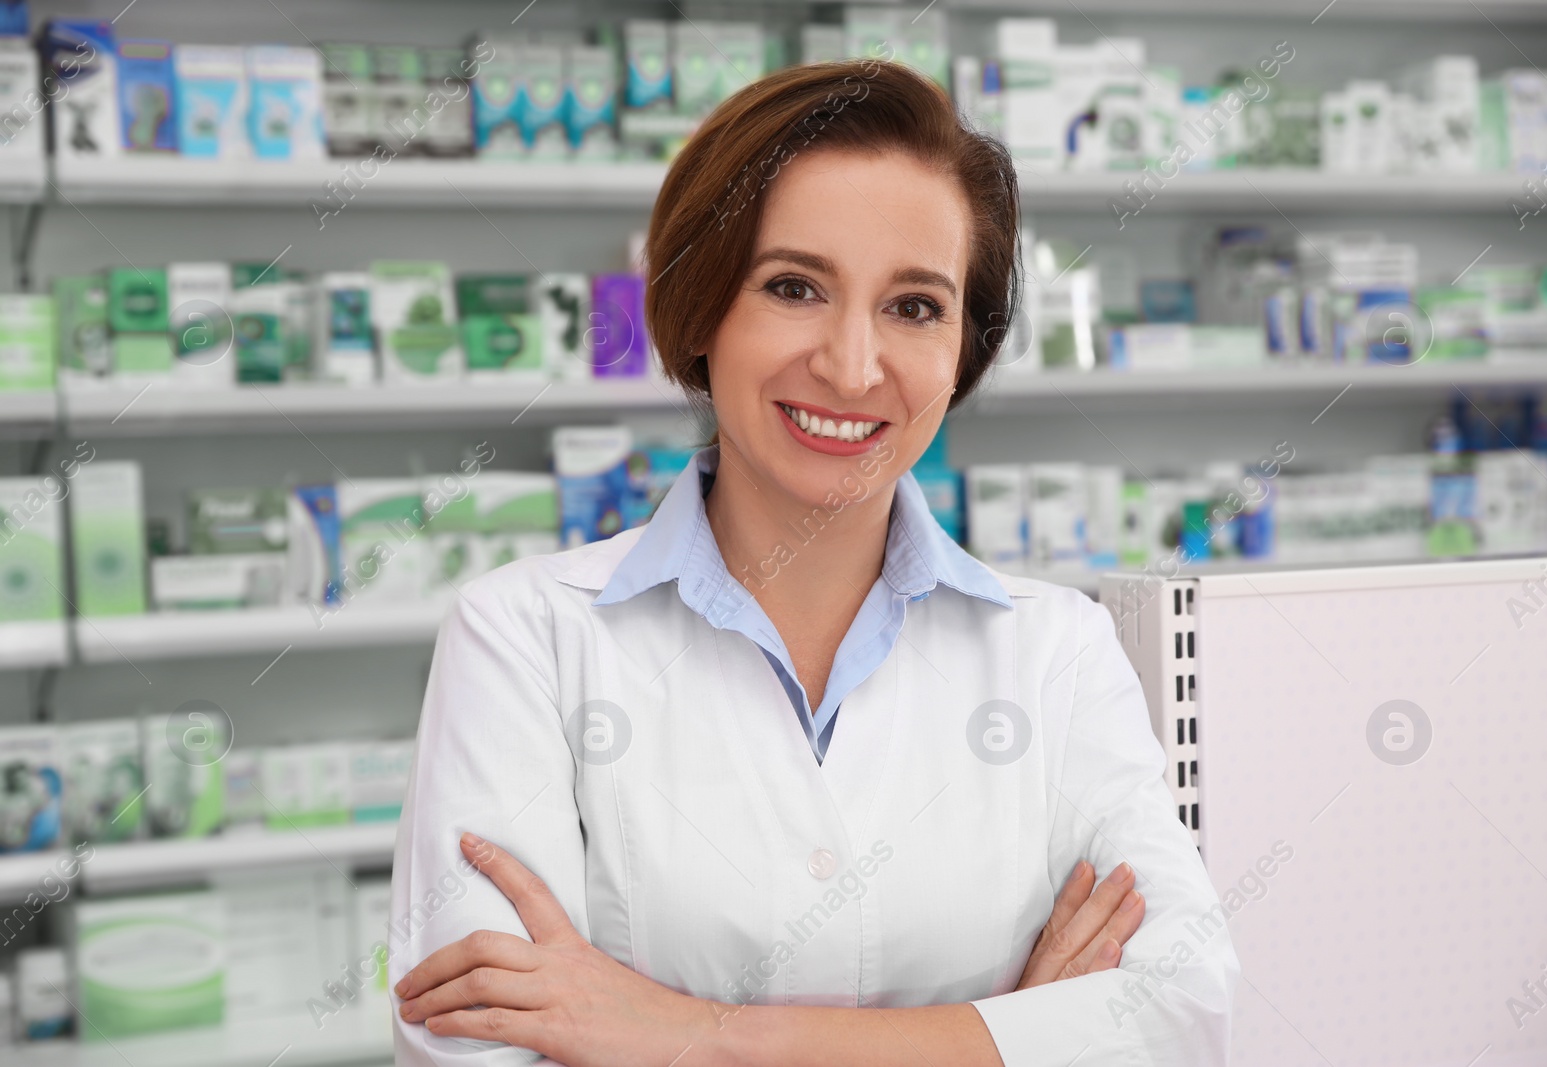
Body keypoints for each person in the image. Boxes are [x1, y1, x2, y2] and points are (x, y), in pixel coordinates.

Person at [388, 57, 1237, 1067]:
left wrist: (690, 1034)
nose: (850, 363)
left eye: (914, 305)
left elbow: (1181, 1009)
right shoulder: (525, 635)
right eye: (794, 286)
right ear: (703, 310)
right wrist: (1004, 1036)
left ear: (965, 346)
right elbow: (479, 1048)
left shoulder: (1056, 648)